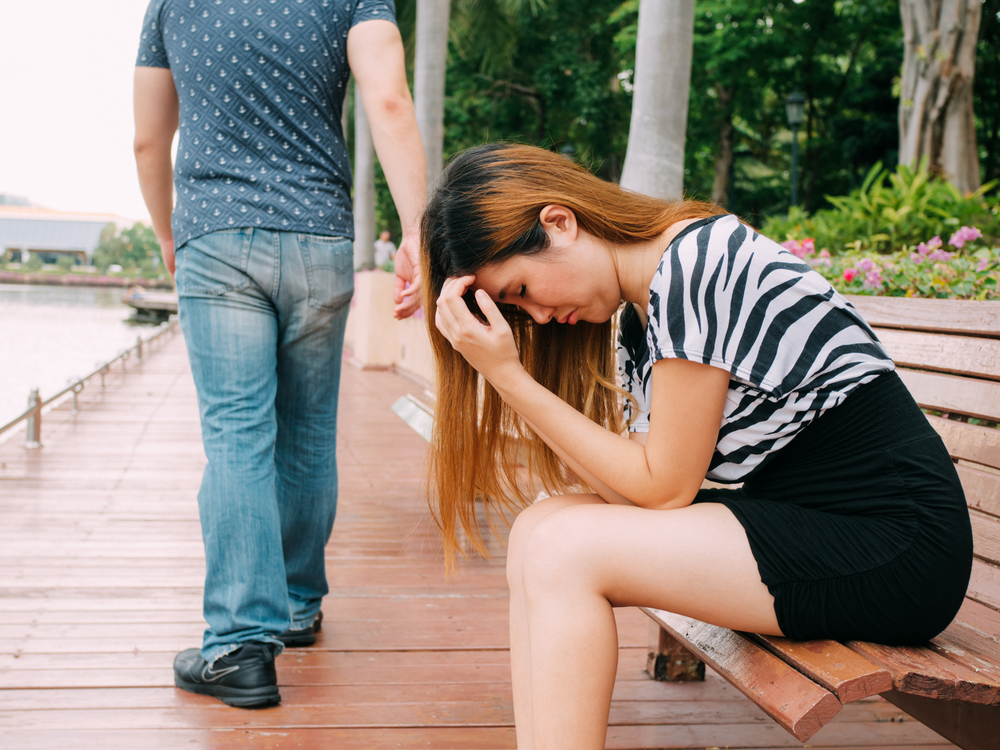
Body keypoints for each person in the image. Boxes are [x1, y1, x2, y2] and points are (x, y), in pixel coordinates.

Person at [422, 143, 973, 749]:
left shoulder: (693, 265)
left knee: (562, 549)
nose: (541, 316)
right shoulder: (643, 310)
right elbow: (636, 486)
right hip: (817, 525)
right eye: (518, 309)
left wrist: (507, 376)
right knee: (540, 526)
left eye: (522, 288)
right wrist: (509, 377)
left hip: (895, 543)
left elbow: (662, 489)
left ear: (558, 221)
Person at [133, 0, 425, 708]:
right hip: (319, 234)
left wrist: (170, 232)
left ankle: (238, 645)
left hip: (216, 232)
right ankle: (295, 606)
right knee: (307, 432)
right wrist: (419, 230)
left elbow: (148, 140)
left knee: (238, 437)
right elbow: (387, 98)